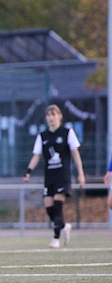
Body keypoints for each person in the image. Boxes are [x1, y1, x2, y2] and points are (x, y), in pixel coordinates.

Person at [23, 104, 85, 248]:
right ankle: (63, 227)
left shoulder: (67, 133)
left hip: (63, 176)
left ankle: (56, 238)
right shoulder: (42, 136)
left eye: (54, 114)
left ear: (60, 116)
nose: (51, 118)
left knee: (57, 207)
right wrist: (28, 172)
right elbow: (36, 156)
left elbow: (76, 154)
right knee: (49, 208)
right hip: (49, 177)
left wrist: (81, 174)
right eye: (48, 115)